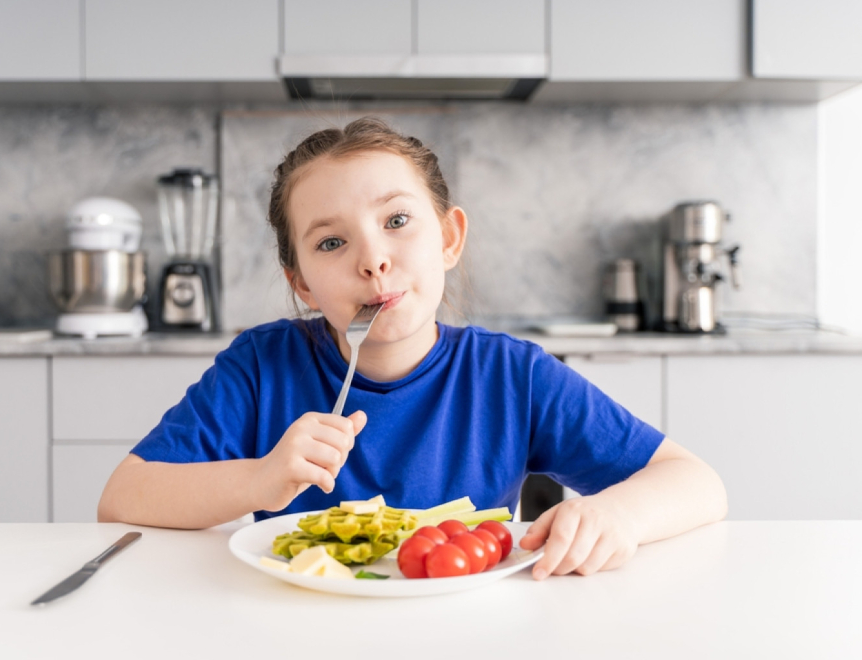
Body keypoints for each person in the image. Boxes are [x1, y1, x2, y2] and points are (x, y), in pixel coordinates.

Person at [98, 117, 727, 580]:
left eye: (397, 222)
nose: (373, 259)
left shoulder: (512, 376)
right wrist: (260, 480)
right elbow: (123, 497)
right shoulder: (263, 367)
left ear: (449, 238)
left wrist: (618, 517)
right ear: (303, 286)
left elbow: (697, 483)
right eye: (330, 244)